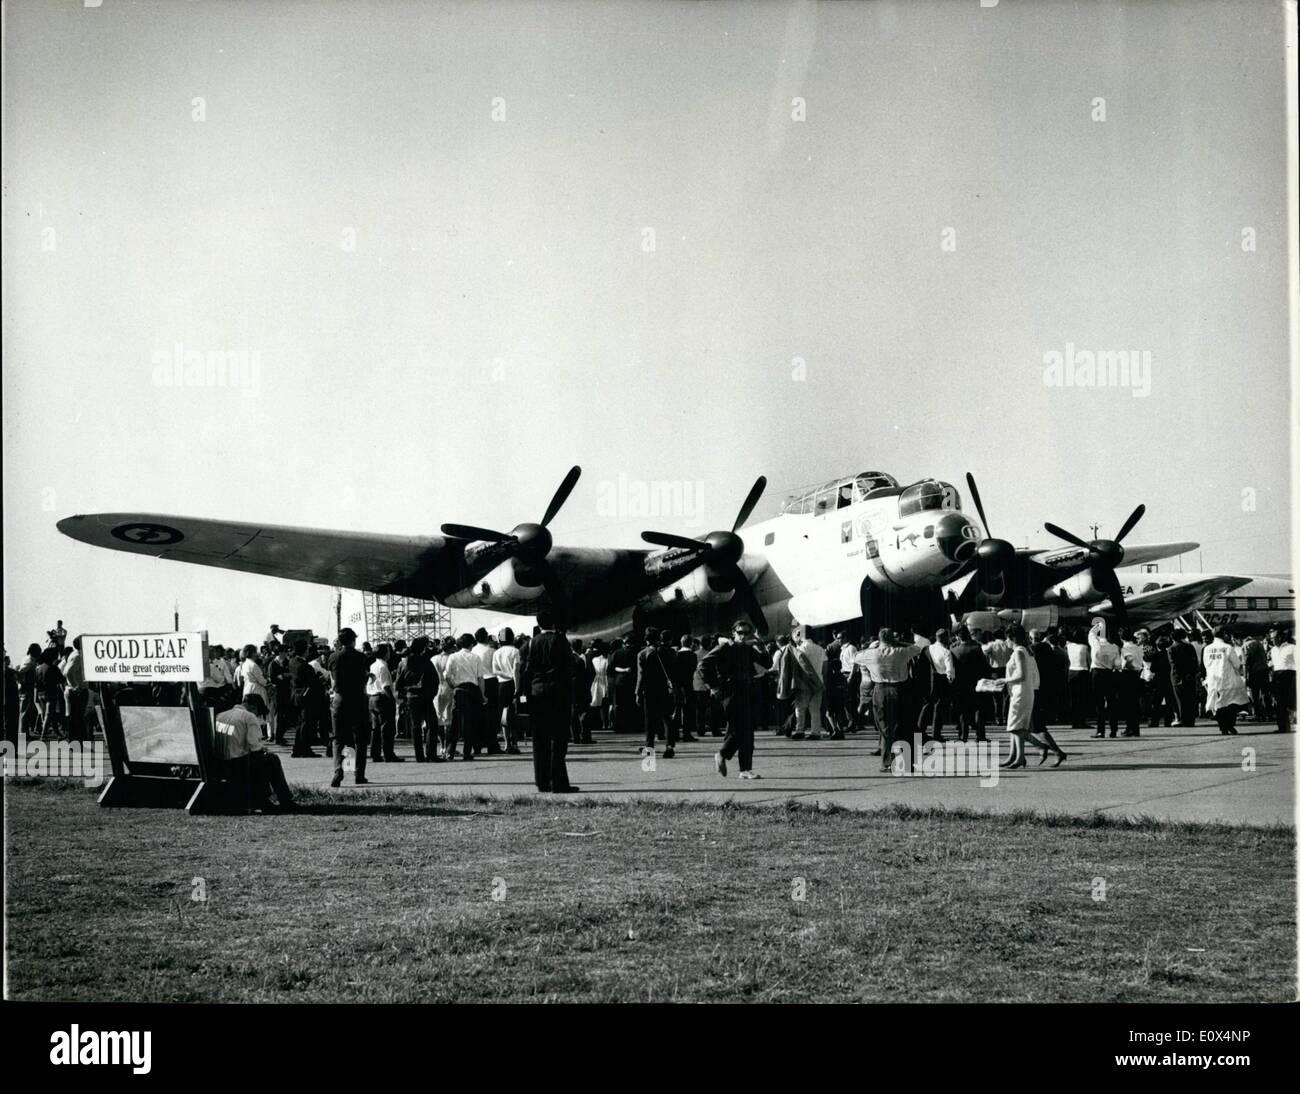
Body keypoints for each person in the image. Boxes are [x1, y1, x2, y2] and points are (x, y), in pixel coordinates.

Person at [700, 619, 772, 779]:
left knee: (747, 732)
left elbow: (766, 663)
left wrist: (761, 646)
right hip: (730, 692)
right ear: (733, 633)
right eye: (740, 632)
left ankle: (745, 770)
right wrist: (714, 687)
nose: (743, 636)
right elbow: (703, 665)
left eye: (747, 633)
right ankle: (722, 754)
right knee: (739, 729)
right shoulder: (725, 647)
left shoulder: (748, 649)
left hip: (746, 691)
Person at [521, 611, 577, 792]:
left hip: (537, 693)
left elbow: (527, 669)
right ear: (554, 623)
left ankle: (542, 781)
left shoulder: (532, 642)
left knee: (540, 739)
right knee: (559, 739)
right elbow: (570, 666)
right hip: (558, 692)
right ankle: (559, 782)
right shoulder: (560, 640)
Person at [213, 694, 298, 812]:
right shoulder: (249, 716)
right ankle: (284, 801)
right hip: (238, 765)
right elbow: (254, 746)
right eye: (258, 712)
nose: (257, 715)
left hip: (220, 764)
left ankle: (262, 799)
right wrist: (262, 749)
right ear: (253, 706)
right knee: (272, 759)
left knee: (262, 759)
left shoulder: (220, 715)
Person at [859, 628, 921, 771]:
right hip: (900, 689)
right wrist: (898, 642)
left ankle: (887, 762)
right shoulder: (900, 652)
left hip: (880, 689)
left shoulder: (870, 654)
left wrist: (873, 645)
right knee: (906, 725)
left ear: (879, 639)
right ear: (892, 639)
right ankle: (908, 762)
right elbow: (917, 648)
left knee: (885, 727)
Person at [1000, 624, 1049, 769]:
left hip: (1021, 692)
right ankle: (1015, 756)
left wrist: (1004, 680)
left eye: (1007, 638)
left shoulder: (1019, 652)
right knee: (1016, 726)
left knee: (1016, 727)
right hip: (1021, 691)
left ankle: (1038, 747)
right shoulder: (1024, 651)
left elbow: (1021, 675)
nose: (1006, 641)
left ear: (1012, 638)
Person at [327, 627, 371, 786]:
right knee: (359, 739)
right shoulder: (361, 657)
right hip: (358, 699)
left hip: (340, 699)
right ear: (354, 640)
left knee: (338, 739)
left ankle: (339, 770)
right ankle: (358, 774)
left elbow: (332, 678)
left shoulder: (333, 657)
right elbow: (365, 677)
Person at [443, 633, 485, 760]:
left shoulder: (453, 657)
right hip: (472, 690)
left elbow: (446, 675)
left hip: (459, 690)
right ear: (472, 644)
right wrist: (483, 695)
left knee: (455, 722)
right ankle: (467, 752)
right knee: (470, 723)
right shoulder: (476, 657)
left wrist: (453, 686)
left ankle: (450, 751)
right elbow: (480, 678)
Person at [636, 627, 676, 758]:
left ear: (646, 639)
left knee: (650, 720)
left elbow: (641, 675)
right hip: (664, 689)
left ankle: (649, 748)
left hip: (650, 690)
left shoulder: (643, 654)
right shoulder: (668, 652)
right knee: (667, 718)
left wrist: (638, 692)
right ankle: (669, 746)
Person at [395, 636, 435, 762]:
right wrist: (432, 694)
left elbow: (398, 682)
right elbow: (434, 680)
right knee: (431, 725)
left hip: (411, 696)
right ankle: (431, 753)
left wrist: (403, 695)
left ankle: (419, 755)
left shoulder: (404, 663)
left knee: (415, 726)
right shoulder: (426, 661)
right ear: (423, 648)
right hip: (425, 696)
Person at [1203, 628, 1249, 735]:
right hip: (1228, 680)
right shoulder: (1228, 647)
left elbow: (1206, 664)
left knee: (1218, 704)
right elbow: (1237, 664)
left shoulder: (1207, 649)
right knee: (1231, 704)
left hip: (1214, 680)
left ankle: (1223, 727)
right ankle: (1229, 725)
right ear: (1224, 634)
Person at [949, 625, 990, 745]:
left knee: (963, 711)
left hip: (960, 685)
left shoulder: (953, 648)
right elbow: (984, 665)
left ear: (957, 635)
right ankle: (980, 736)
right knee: (978, 709)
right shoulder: (976, 647)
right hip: (976, 683)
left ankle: (963, 736)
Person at [917, 628, 955, 743]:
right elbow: (950, 671)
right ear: (945, 638)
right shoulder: (946, 652)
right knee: (939, 708)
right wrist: (951, 681)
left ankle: (919, 733)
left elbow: (921, 665)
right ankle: (936, 734)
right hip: (941, 681)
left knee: (927, 706)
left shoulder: (926, 649)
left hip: (928, 680)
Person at [787, 628, 826, 740]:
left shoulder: (799, 650)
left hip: (803, 683)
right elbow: (825, 666)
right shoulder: (820, 649)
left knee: (800, 708)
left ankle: (800, 730)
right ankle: (815, 732)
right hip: (818, 681)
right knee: (815, 709)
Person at [288, 640, 323, 757]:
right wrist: (319, 678)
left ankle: (297, 749)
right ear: (304, 651)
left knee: (300, 723)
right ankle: (305, 749)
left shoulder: (292, 662)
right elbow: (314, 683)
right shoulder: (305, 666)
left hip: (296, 695)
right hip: (306, 696)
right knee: (306, 724)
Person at [1087, 619, 1121, 738]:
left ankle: (1100, 731)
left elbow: (1091, 633)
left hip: (1097, 673)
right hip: (1110, 674)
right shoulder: (1115, 647)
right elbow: (1118, 664)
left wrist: (1100, 625)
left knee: (1099, 704)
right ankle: (1113, 730)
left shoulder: (1096, 643)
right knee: (1112, 702)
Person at [492, 629, 523, 754]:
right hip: (513, 684)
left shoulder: (497, 652)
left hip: (501, 684)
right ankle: (515, 743)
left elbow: (495, 670)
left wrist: (506, 674)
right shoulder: (515, 651)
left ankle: (507, 744)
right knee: (514, 714)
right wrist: (517, 686)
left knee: (504, 715)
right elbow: (516, 670)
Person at [1167, 630, 1200, 727]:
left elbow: (1173, 664)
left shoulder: (1171, 649)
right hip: (1189, 676)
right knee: (1190, 698)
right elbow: (1195, 662)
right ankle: (1191, 719)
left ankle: (1183, 719)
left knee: (1180, 699)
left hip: (1177, 677)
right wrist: (1191, 673)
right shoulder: (1190, 647)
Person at [1117, 628, 1146, 737]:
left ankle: (1129, 728)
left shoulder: (1125, 647)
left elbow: (1128, 660)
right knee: (1134, 703)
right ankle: (1135, 728)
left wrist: (1125, 667)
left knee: (1128, 703)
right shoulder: (1138, 647)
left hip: (1128, 675)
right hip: (1137, 674)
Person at [33, 647, 66, 741]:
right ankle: (43, 735)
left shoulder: (38, 668)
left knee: (50, 715)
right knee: (49, 714)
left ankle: (58, 734)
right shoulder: (53, 668)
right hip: (50, 694)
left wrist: (36, 696)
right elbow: (61, 679)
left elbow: (36, 684)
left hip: (40, 694)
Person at [672, 634, 698, 743]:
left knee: (677, 709)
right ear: (691, 643)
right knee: (688, 709)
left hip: (677, 684)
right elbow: (693, 668)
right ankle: (687, 733)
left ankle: (675, 733)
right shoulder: (693, 655)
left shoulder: (676, 655)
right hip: (688, 683)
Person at [1064, 628, 1092, 728]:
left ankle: (1074, 721)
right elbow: (1089, 661)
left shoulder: (1069, 646)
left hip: (1071, 671)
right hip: (1082, 671)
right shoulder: (1085, 647)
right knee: (1082, 698)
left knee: (1073, 698)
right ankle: (1081, 720)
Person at [1241, 634, 1272, 722]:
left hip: (1254, 673)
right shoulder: (1259, 644)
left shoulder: (1245, 646)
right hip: (1264, 671)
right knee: (1266, 694)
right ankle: (1269, 714)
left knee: (1255, 695)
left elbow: (1245, 663)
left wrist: (1245, 676)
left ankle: (1258, 715)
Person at [1268, 630, 1295, 733]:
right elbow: (1274, 665)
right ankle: (1283, 727)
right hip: (1277, 676)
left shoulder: (1292, 648)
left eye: (1273, 638)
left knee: (1291, 702)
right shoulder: (1273, 650)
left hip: (1289, 675)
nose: (1272, 640)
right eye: (1271, 638)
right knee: (1279, 703)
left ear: (1280, 637)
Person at [16, 644, 42, 741]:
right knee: (25, 712)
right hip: (26, 688)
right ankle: (23, 734)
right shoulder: (30, 661)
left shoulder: (27, 659)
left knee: (25, 712)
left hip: (26, 688)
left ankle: (24, 733)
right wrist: (22, 682)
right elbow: (21, 671)